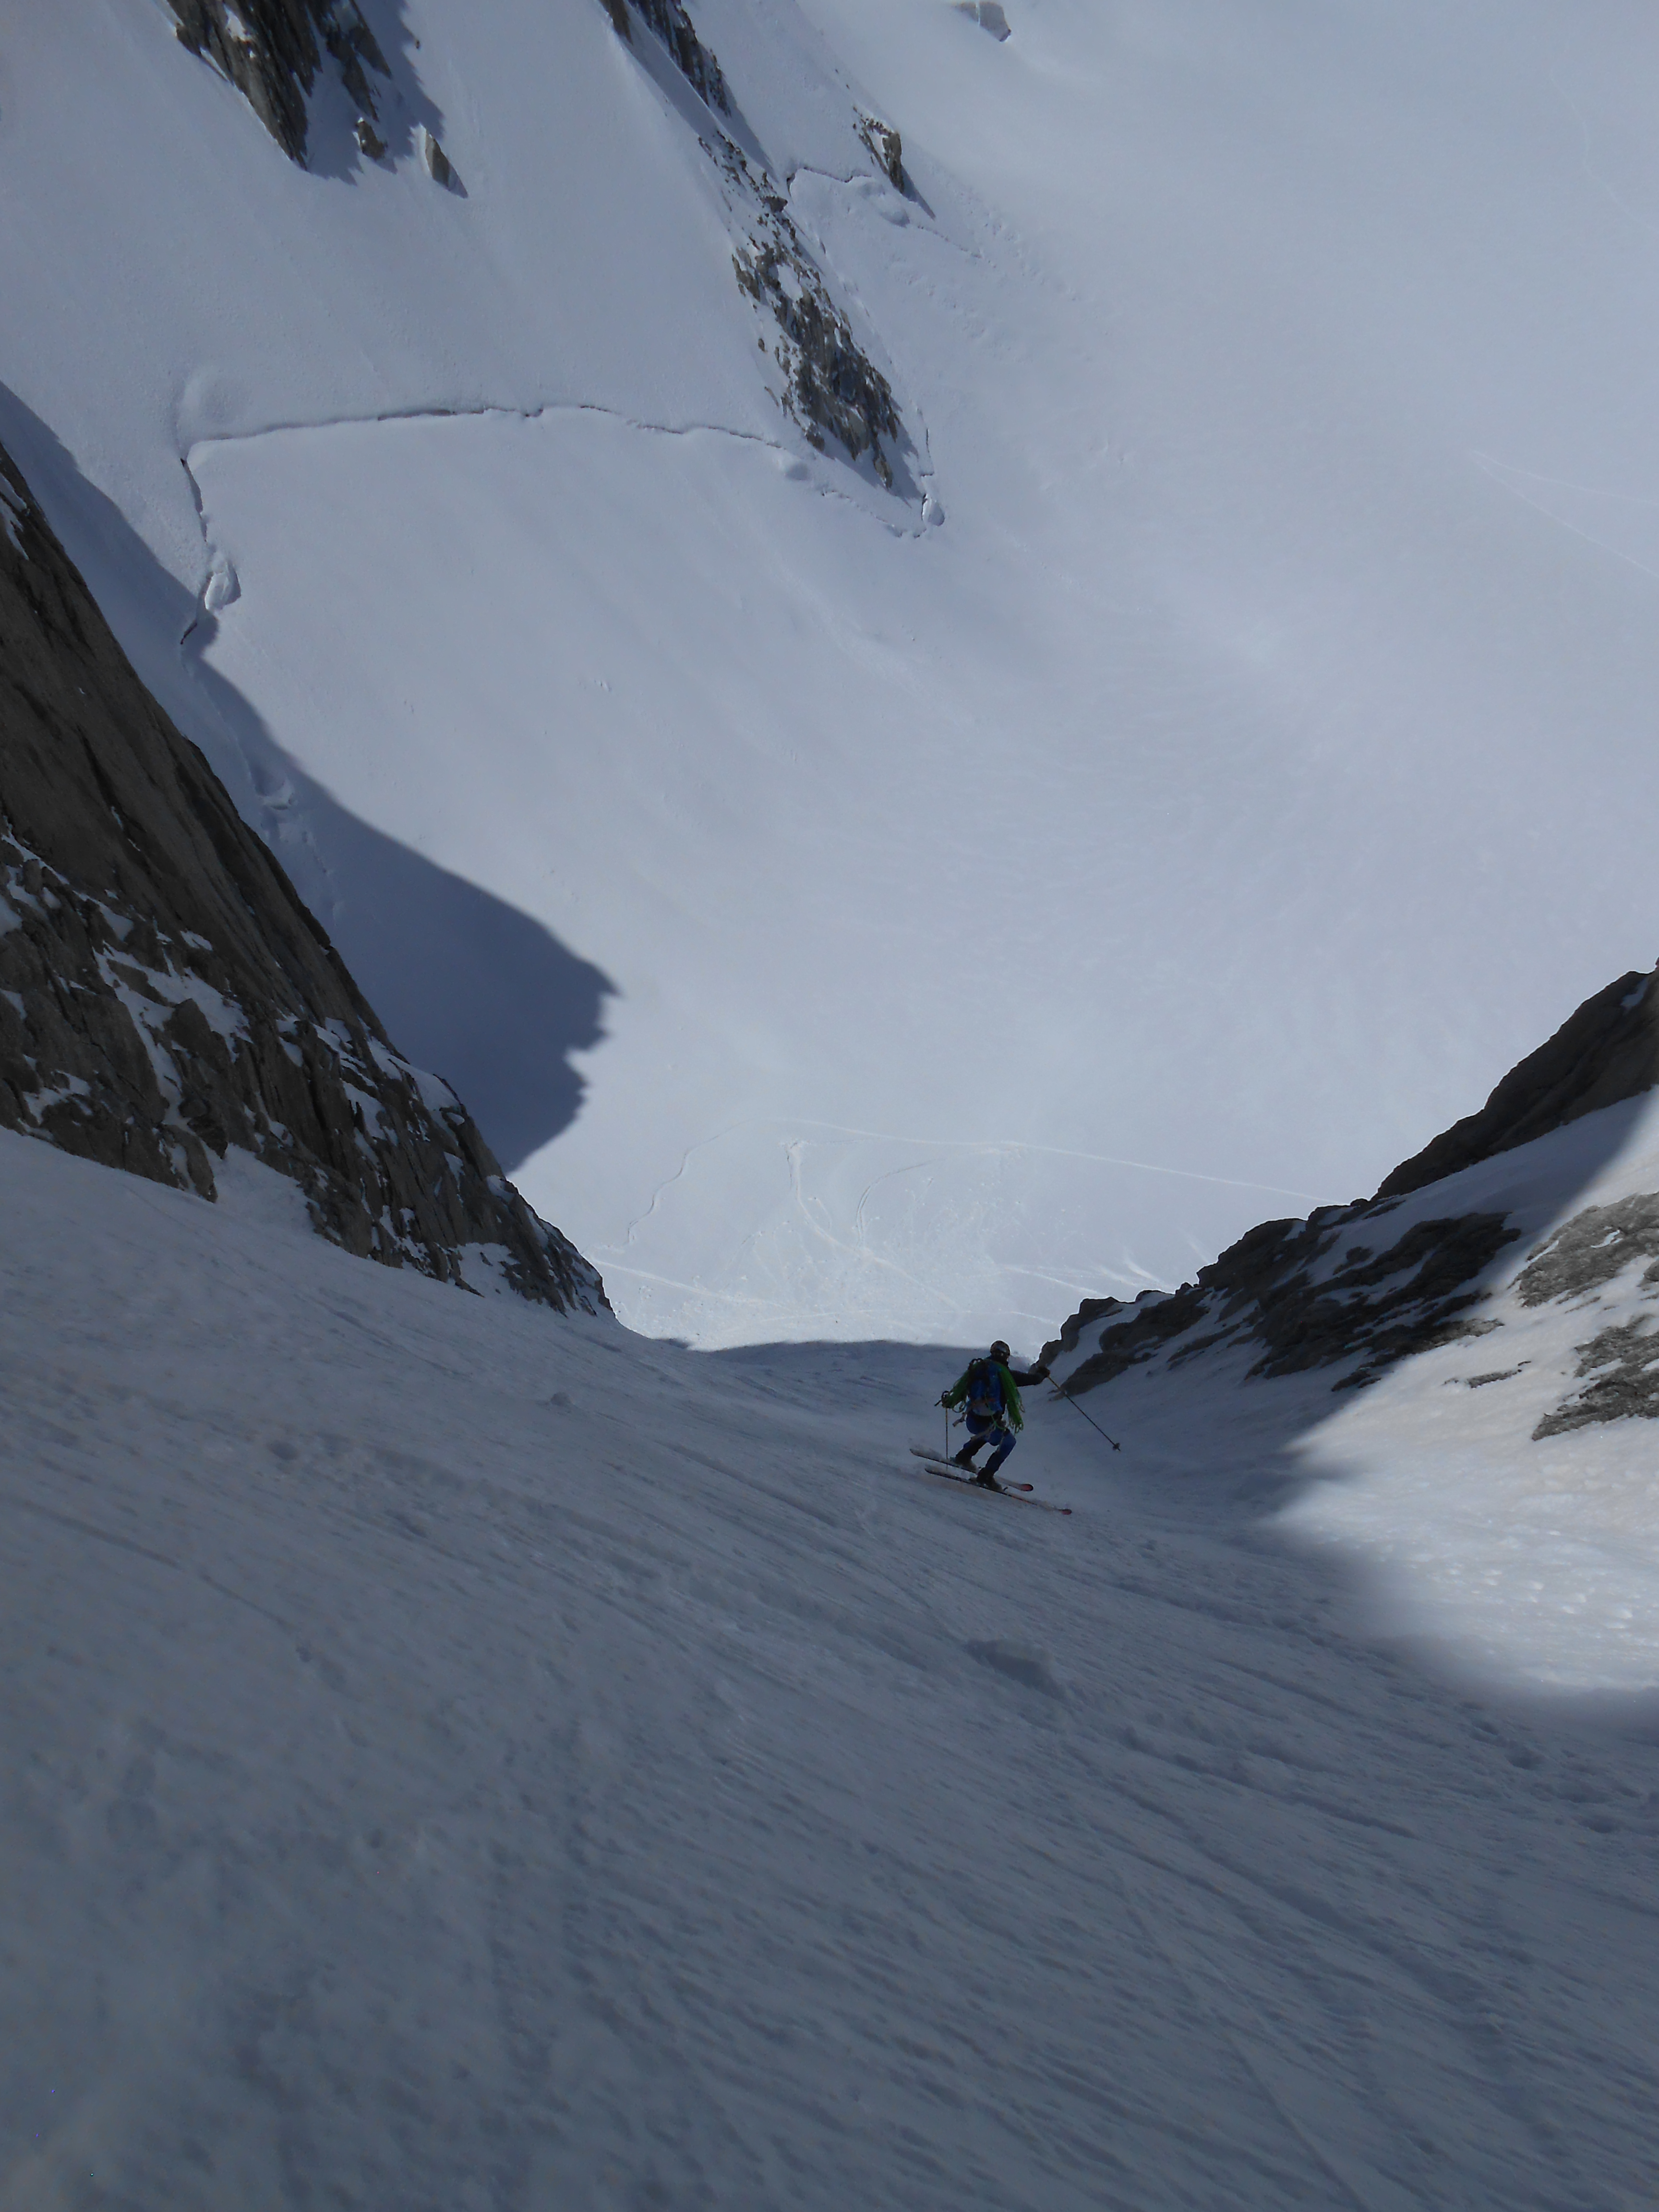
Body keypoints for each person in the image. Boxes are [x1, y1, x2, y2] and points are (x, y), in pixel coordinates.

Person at [938, 1341, 1050, 1487]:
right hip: (991, 1423)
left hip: (972, 1421)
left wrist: (949, 1401)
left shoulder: (977, 1369)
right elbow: (1032, 1380)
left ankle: (963, 1458)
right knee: (1008, 1442)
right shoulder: (1005, 1375)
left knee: (986, 1434)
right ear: (1006, 1357)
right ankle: (986, 1476)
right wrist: (1042, 1375)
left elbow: (960, 1390)